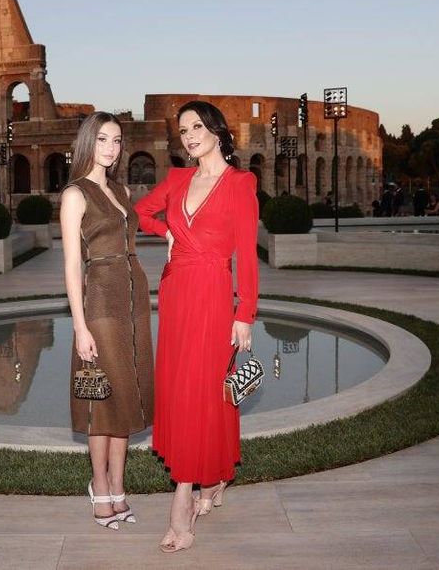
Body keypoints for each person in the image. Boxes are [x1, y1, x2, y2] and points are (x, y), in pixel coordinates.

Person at [135, 100, 259, 553]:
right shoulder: (178, 179)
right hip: (175, 294)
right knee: (183, 391)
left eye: (196, 127)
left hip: (212, 296)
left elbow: (246, 253)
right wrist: (166, 231)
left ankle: (183, 498)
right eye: (182, 129)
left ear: (215, 130)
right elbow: (140, 214)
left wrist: (244, 314)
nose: (188, 136)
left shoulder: (241, 183)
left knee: (205, 392)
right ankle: (215, 479)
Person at [60, 112, 155, 530]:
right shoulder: (75, 194)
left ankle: (119, 486)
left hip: (134, 298)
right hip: (99, 300)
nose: (111, 148)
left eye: (117, 140)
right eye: (102, 139)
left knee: (127, 396)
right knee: (102, 400)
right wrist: (80, 326)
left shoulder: (122, 190)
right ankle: (99, 486)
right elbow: (69, 266)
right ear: (88, 143)